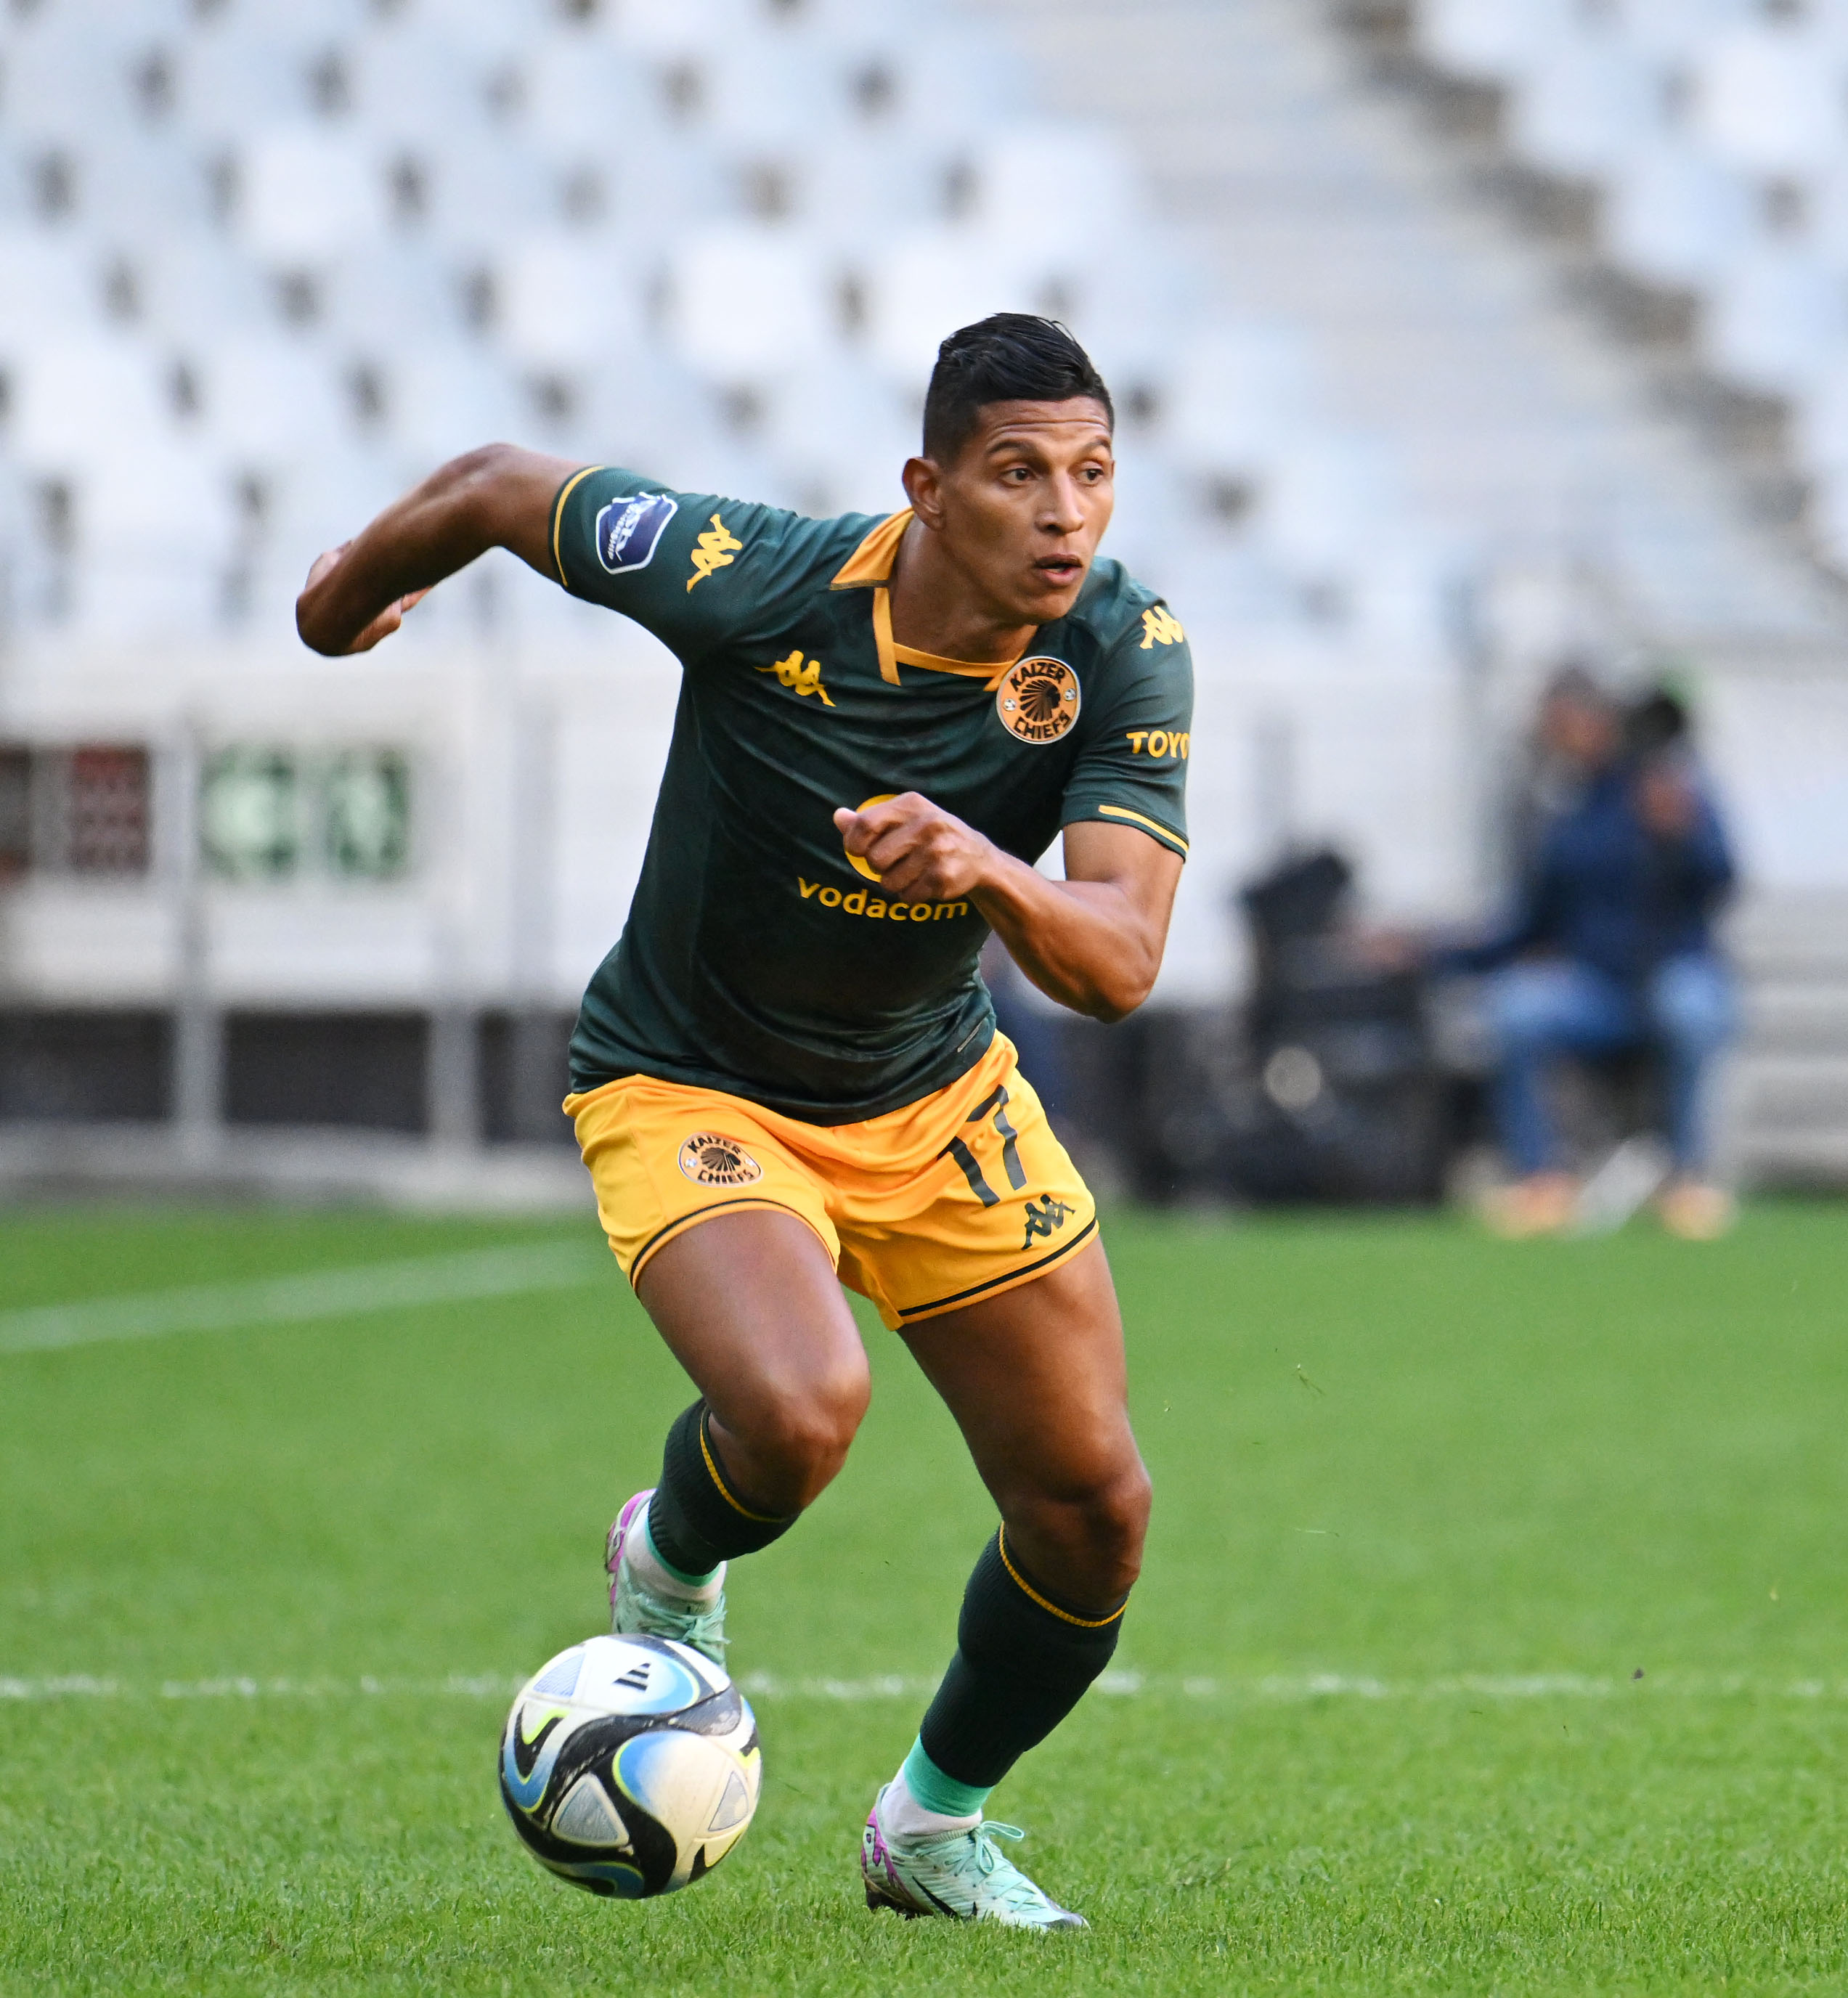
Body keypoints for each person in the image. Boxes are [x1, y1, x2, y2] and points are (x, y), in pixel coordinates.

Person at [296, 315, 1193, 1929]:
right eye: (1017, 474)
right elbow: (505, 487)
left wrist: (986, 865)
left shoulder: (1124, 650)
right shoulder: (761, 578)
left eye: (1093, 473)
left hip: (934, 1094)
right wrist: (338, 600)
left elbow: (1123, 959)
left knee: (1093, 1510)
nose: (1066, 512)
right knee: (799, 1413)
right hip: (691, 1079)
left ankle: (930, 1825)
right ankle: (672, 1554)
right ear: (926, 488)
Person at [1441, 673, 1738, 1239]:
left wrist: (1680, 832)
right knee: (1516, 1010)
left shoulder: (1676, 791)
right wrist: (1439, 955)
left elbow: (1720, 879)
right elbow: (1530, 921)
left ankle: (1687, 1180)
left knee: (1691, 1010)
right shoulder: (1566, 810)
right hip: (1597, 988)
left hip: (1671, 972)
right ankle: (1542, 1182)